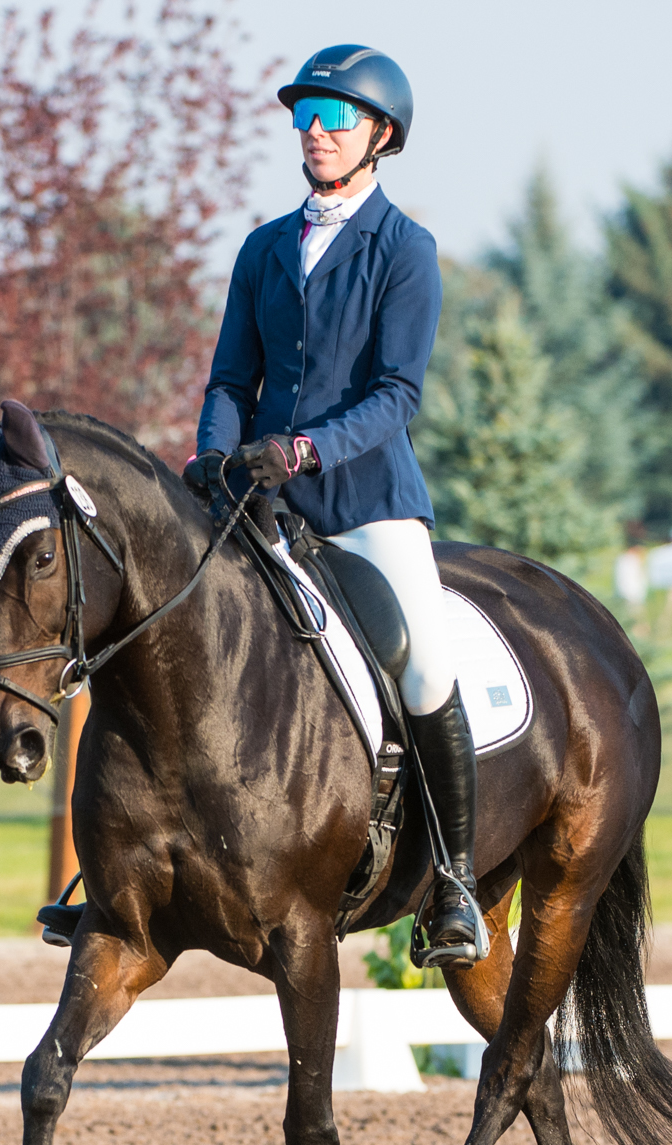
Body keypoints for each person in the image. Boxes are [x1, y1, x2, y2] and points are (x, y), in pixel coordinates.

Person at [185, 45, 482, 969]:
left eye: (334, 118)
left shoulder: (406, 250)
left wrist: (306, 447)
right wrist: (210, 454)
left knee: (425, 668)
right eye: (304, 117)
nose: (314, 133)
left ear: (379, 136)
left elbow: (396, 392)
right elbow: (232, 375)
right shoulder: (263, 246)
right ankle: (130, 872)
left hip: (362, 498)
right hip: (259, 498)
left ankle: (458, 884)